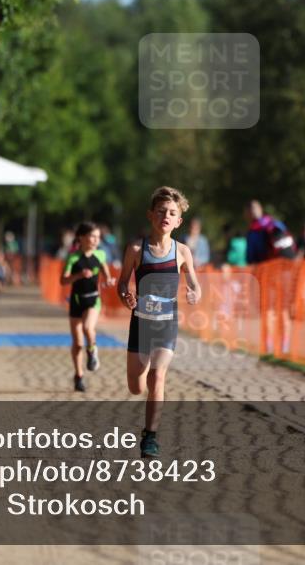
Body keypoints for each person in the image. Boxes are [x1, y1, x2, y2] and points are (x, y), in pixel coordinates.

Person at [118, 187, 201, 458]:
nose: (166, 216)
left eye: (172, 213)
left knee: (158, 376)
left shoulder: (182, 252)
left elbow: (195, 285)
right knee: (136, 386)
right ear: (150, 215)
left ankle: (150, 436)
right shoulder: (135, 249)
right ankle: (141, 386)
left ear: (179, 221)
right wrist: (126, 296)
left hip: (167, 323)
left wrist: (194, 293)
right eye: (161, 211)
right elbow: (122, 283)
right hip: (140, 323)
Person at [61, 222, 116, 392]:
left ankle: (92, 351)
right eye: (92, 236)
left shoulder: (100, 254)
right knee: (78, 344)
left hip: (93, 299)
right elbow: (63, 280)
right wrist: (78, 275)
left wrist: (108, 280)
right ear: (81, 237)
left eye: (98, 237)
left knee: (87, 327)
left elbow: (105, 271)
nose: (95, 240)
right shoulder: (73, 257)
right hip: (76, 301)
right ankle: (79, 376)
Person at [245, 200, 296, 354]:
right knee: (283, 309)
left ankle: (269, 346)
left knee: (268, 309)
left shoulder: (253, 231)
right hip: (285, 271)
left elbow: (251, 257)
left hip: (267, 273)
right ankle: (284, 347)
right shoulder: (276, 223)